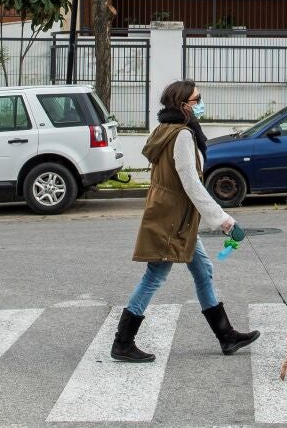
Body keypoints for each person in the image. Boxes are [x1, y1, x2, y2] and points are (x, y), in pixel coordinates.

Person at [112, 80, 260, 362]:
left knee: (203, 270)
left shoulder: (165, 128)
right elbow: (191, 183)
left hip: (176, 216)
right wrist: (223, 220)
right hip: (171, 219)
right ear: (183, 106)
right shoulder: (181, 135)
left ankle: (227, 336)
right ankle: (122, 342)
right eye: (197, 100)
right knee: (155, 276)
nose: (201, 104)